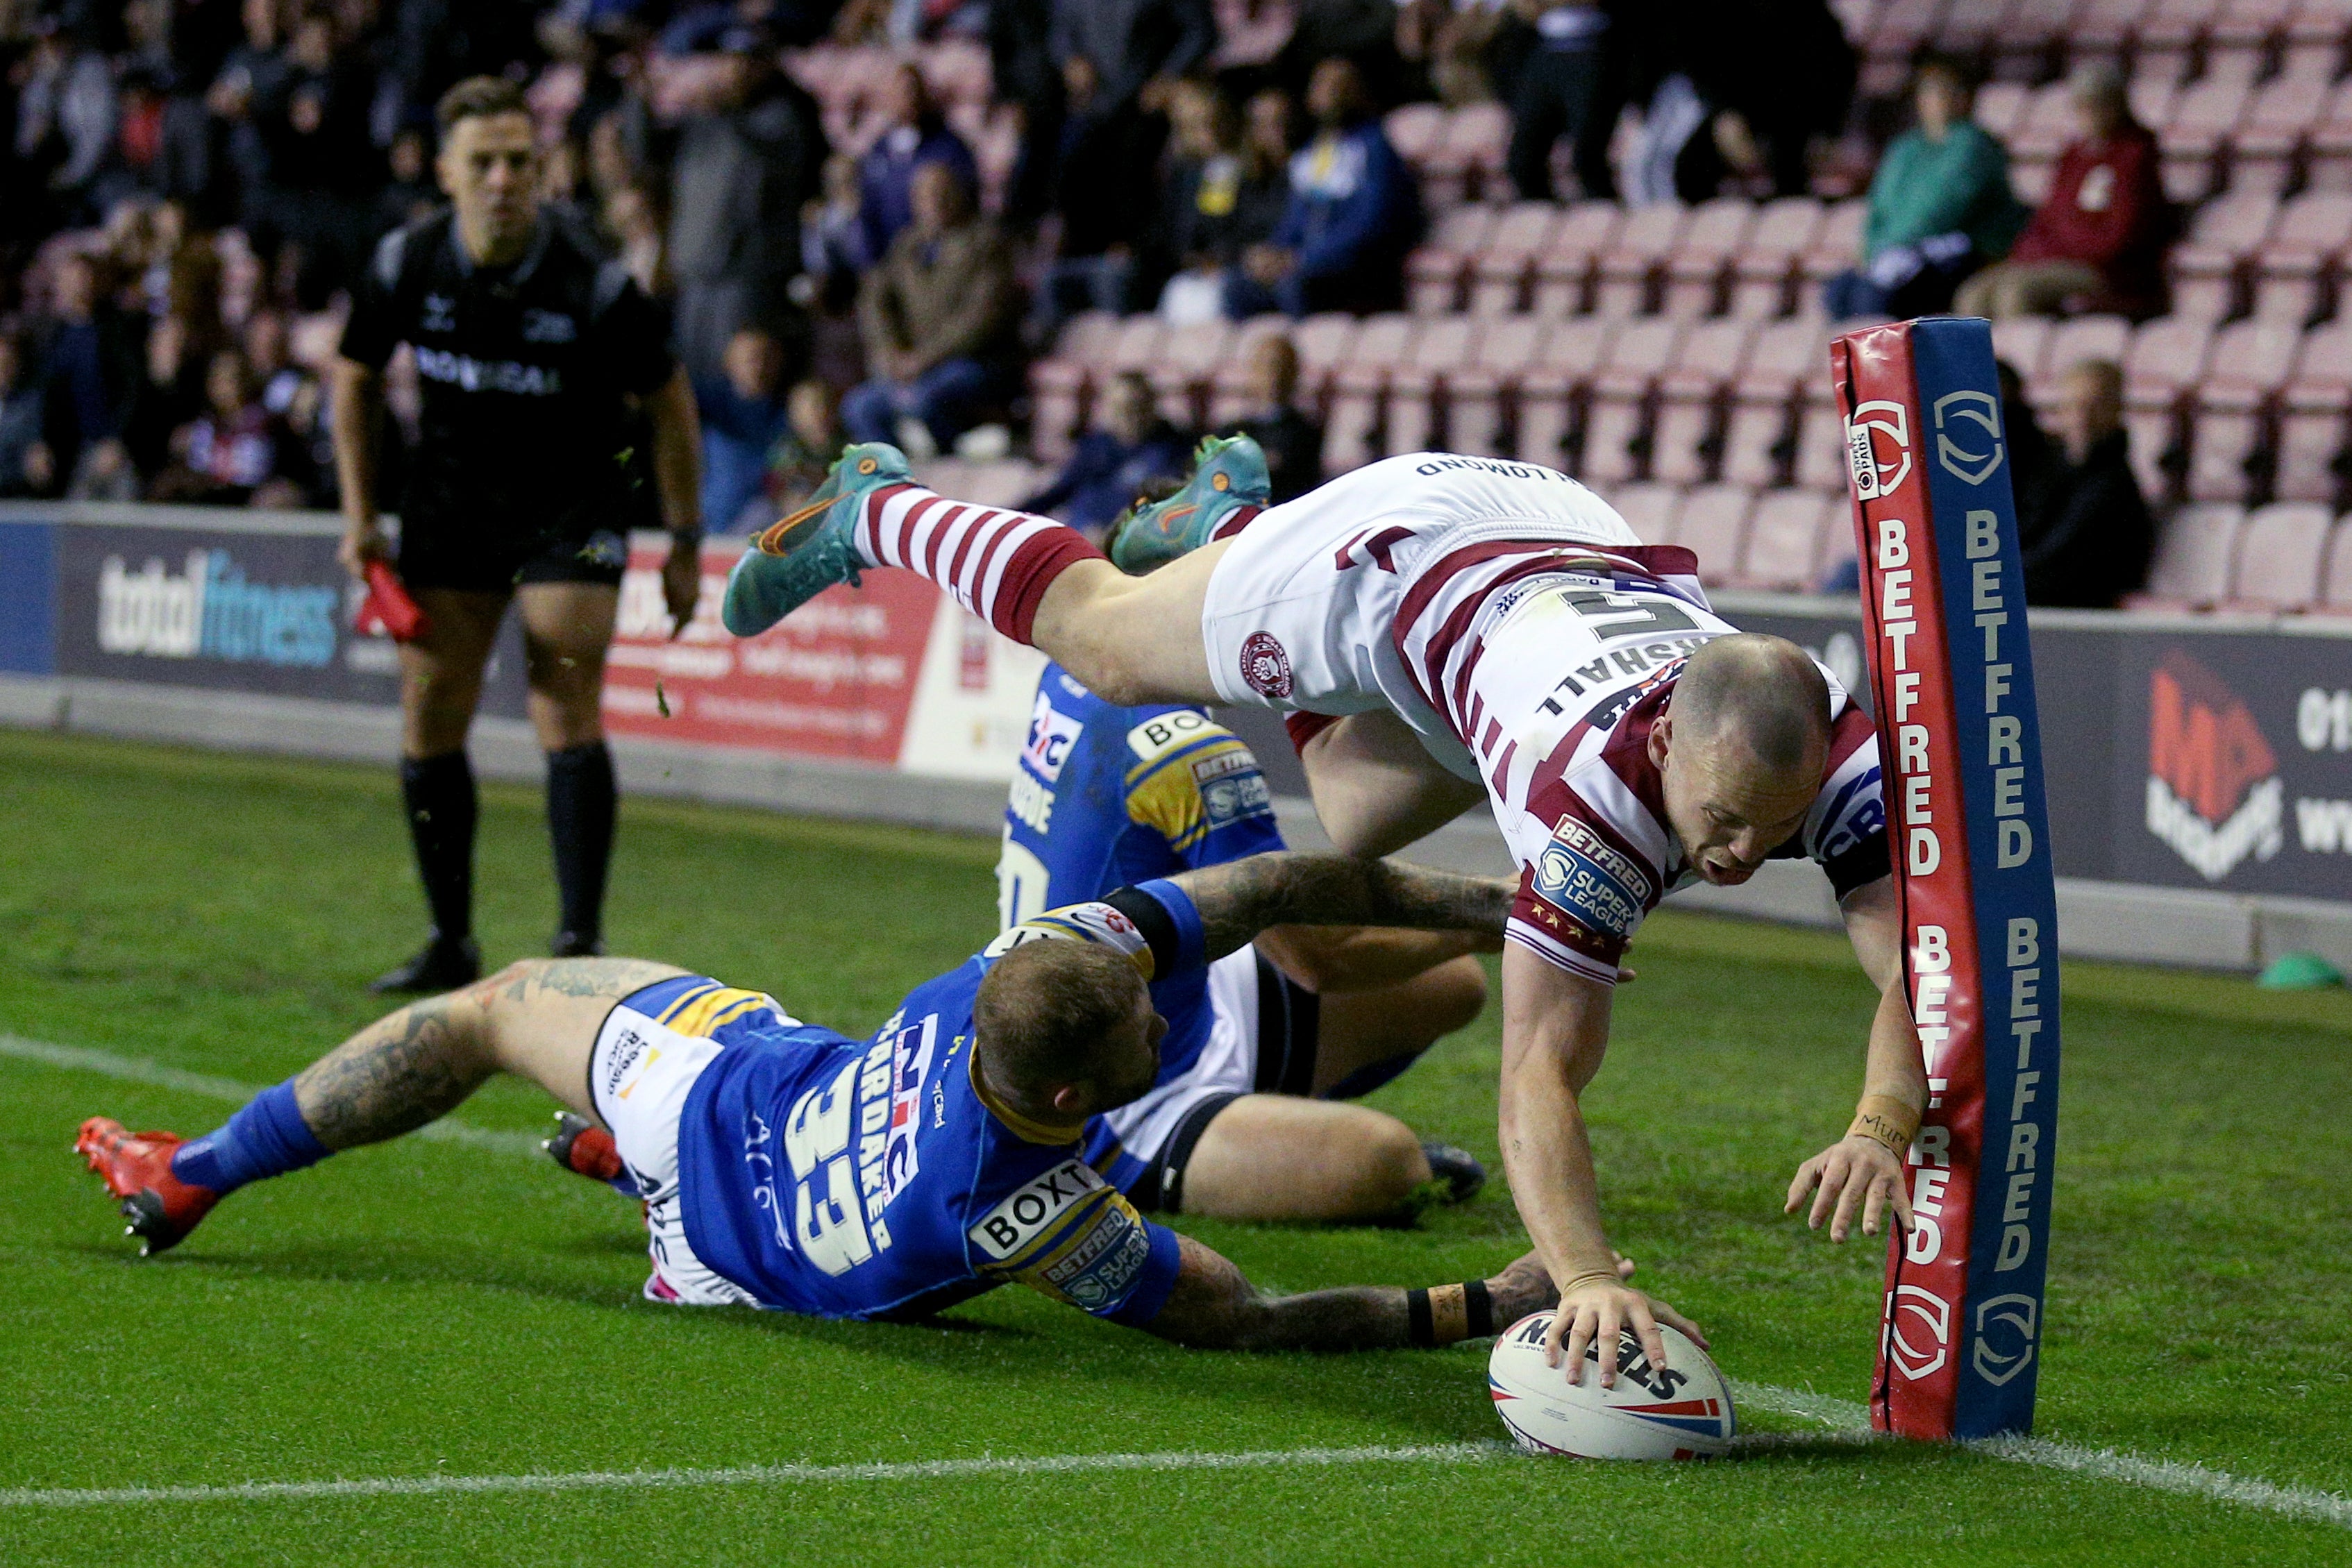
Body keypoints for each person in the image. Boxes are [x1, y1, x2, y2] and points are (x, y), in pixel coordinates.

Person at [723, 435, 1920, 1390]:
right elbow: (1537, 1075)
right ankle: (869, 506)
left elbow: (1917, 968)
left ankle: (1217, 533)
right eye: (1716, 820)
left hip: (1552, 555)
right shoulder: (1588, 815)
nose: (1735, 858)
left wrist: (1876, 1121)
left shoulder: (1820, 750)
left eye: (1772, 826)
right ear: (1662, 739)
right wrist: (1585, 1271)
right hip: (1394, 558)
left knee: (1351, 811)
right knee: (1102, 639)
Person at [73, 852, 1567, 1355]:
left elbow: (1273, 890)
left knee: (486, 1009)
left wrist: (1502, 901)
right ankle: (617, 1177)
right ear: (1068, 1090)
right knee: (501, 1002)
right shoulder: (1027, 1204)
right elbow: (1240, 1316)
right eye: (1145, 1020)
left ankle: (195, 1168)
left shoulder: (1040, 963)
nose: (1159, 996)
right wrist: (1472, 1301)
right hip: (726, 1254)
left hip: (718, 1100)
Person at [330, 77, 704, 994]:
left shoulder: (595, 278)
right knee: (430, 716)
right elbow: (353, 377)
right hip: (449, 508)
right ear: (448, 173)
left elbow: (670, 401)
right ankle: (450, 938)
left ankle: (579, 943)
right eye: (484, 162)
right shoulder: (405, 261)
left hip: (570, 509)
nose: (504, 178)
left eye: (520, 162)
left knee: (561, 699)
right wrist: (359, 511)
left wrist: (687, 538)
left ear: (542, 171)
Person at [996, 617, 1495, 1224]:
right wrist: (1492, 913)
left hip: (1173, 1002)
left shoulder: (1075, 663)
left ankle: (1263, 1140)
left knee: (1453, 983)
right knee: (1386, 1163)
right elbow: (1320, 956)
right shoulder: (1186, 749)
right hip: (1121, 1085)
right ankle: (1164, 1157)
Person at [1953, 61, 2171, 321]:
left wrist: (2060, 248)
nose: (2085, 113)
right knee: (1972, 294)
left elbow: (2120, 237)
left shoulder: (2135, 157)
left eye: (2094, 104)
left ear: (2116, 106)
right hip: (2055, 259)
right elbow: (2049, 217)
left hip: (2105, 271)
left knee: (2017, 294)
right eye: (2079, 106)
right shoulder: (2073, 156)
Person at [665, 24, 823, 382]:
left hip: (745, 272)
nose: (738, 71)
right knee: (692, 377)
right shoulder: (704, 115)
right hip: (695, 267)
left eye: (749, 62)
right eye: (731, 61)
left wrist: (722, 113)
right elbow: (652, 153)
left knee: (737, 377)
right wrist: (638, 100)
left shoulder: (786, 112)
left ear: (767, 66)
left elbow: (766, 152)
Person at [1822, 56, 2025, 320]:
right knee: (1838, 294)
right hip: (1895, 251)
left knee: (1878, 299)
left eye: (1946, 91)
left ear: (1965, 98)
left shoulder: (1974, 146)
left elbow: (1942, 211)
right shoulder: (1905, 148)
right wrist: (1874, 248)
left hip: (1959, 250)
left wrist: (1895, 245)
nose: (1937, 100)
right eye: (1929, 92)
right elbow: (1879, 207)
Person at [843, 161, 1021, 457]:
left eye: (943, 192)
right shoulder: (906, 245)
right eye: (925, 195)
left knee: (925, 400)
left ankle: (950, 469)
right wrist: (889, 352)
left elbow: (979, 320)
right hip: (913, 365)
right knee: (859, 408)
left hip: (975, 362)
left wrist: (922, 360)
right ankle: (898, 485)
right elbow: (875, 301)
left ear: (960, 195)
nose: (935, 201)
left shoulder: (987, 243)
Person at [1230, 58, 1422, 319]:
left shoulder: (1374, 147)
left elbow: (1372, 222)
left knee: (1294, 286)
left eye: (1338, 87)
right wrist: (1273, 252)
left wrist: (1307, 258)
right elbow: (1297, 217)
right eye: (1321, 86)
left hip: (1355, 269)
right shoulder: (1312, 152)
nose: (1328, 95)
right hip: (1304, 264)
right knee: (1238, 285)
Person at [1149, 78, 1288, 326]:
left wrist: (1228, 258)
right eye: (1196, 127)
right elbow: (1182, 234)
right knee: (1176, 294)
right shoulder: (1188, 176)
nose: (1209, 134)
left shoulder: (1250, 168)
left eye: (1214, 123)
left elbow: (1255, 225)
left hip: (1239, 270)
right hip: (1198, 274)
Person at [2019, 358, 2156, 607]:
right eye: (2072, 406)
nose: (2082, 417)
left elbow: (2058, 559)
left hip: (2085, 617)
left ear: (2116, 410)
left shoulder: (2115, 485)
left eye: (2095, 406)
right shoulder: (2047, 471)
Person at [1015, 369, 1191, 538]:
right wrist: (1013, 517)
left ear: (1152, 406)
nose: (1130, 416)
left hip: (1136, 541)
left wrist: (1115, 533)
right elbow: (1059, 493)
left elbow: (1168, 504)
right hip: (1086, 535)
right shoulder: (1095, 447)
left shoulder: (1173, 451)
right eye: (1120, 408)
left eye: (1137, 407)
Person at [856, 63, 980, 267]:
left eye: (913, 90)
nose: (907, 98)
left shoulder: (949, 147)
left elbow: (968, 204)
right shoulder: (879, 151)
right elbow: (868, 209)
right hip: (890, 259)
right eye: (900, 92)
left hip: (940, 260)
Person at [1504, 1, 1627, 204]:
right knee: (1522, 162)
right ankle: (1544, 224)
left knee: (1587, 159)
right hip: (1546, 49)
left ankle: (1606, 222)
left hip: (1591, 49)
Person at [696, 326, 794, 534]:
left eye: (768, 358)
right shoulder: (705, 403)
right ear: (730, 362)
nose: (760, 367)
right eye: (752, 358)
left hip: (769, 532)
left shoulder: (794, 411)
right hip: (712, 528)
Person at [1230, 332, 1323, 504]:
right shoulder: (1230, 431)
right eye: (1264, 366)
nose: (1273, 375)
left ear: (1294, 373)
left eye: (1281, 366)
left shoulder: (1304, 433)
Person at [762, 378, 846, 516]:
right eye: (812, 408)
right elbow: (776, 482)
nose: (820, 413)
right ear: (794, 414)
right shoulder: (787, 447)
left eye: (825, 405)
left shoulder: (846, 446)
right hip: (789, 508)